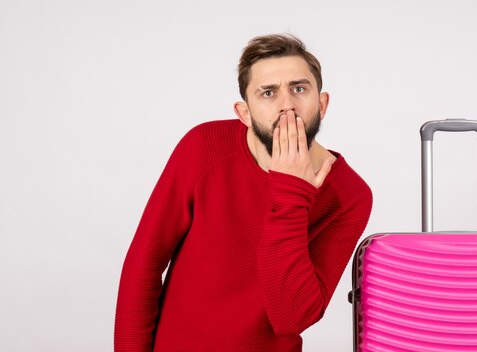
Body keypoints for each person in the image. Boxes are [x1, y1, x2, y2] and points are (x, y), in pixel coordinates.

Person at [114, 34, 372, 351]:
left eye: (299, 88)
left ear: (321, 104)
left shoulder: (350, 195)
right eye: (268, 93)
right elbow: (145, 263)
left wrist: (291, 194)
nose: (287, 104)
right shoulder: (204, 146)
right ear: (244, 113)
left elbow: (292, 318)